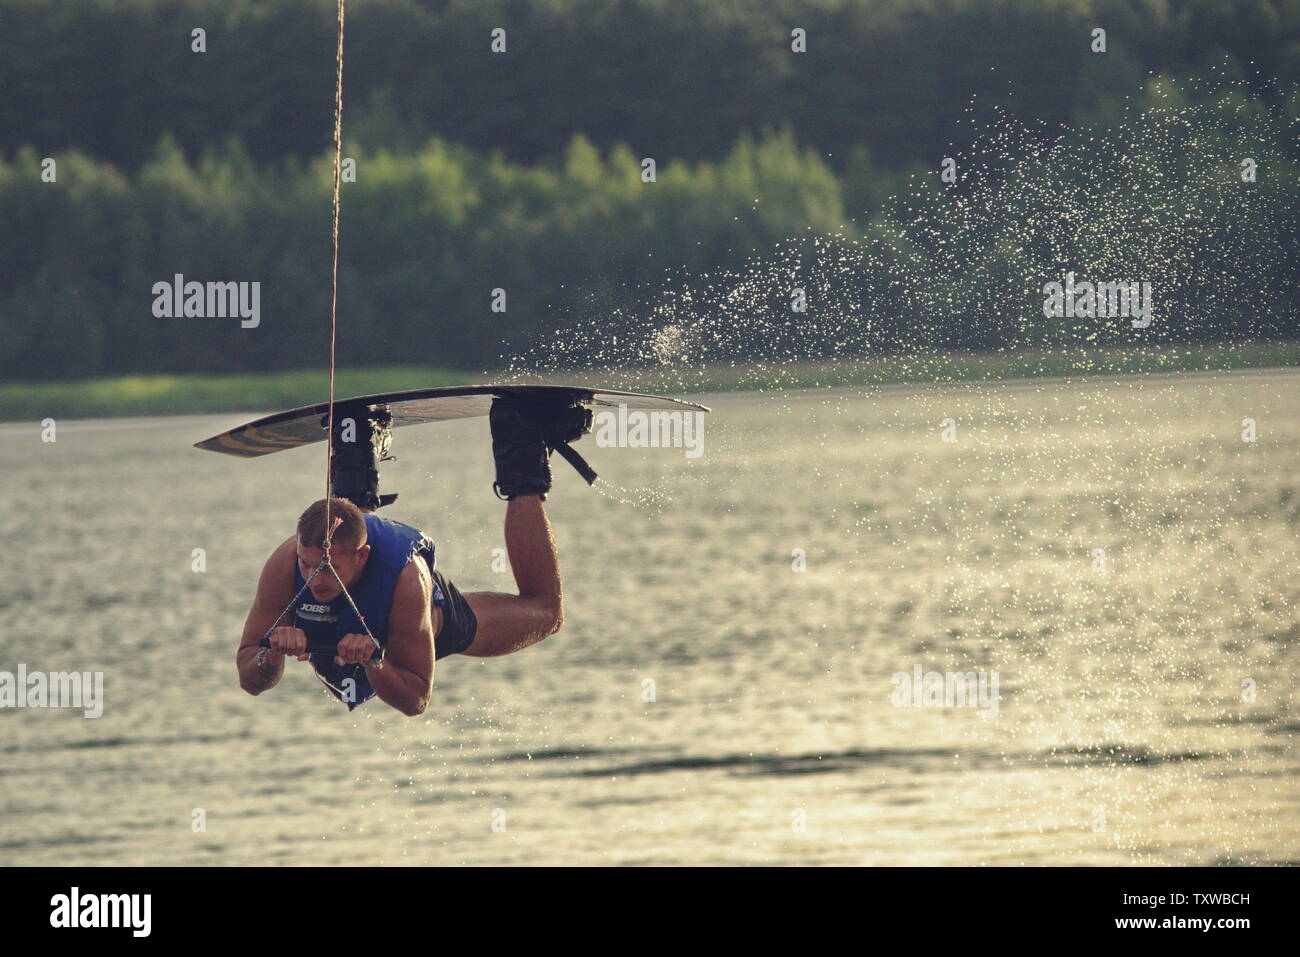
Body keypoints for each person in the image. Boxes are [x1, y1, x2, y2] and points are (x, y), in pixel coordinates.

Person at [235, 395, 591, 715]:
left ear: (363, 558)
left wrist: (375, 660)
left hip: (425, 622)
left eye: (327, 570)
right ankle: (355, 435)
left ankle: (522, 441)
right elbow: (250, 680)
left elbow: (416, 700)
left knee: (546, 614)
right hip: (355, 586)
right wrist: (272, 656)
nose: (314, 579)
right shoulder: (287, 563)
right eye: (307, 565)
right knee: (350, 522)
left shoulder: (406, 579)